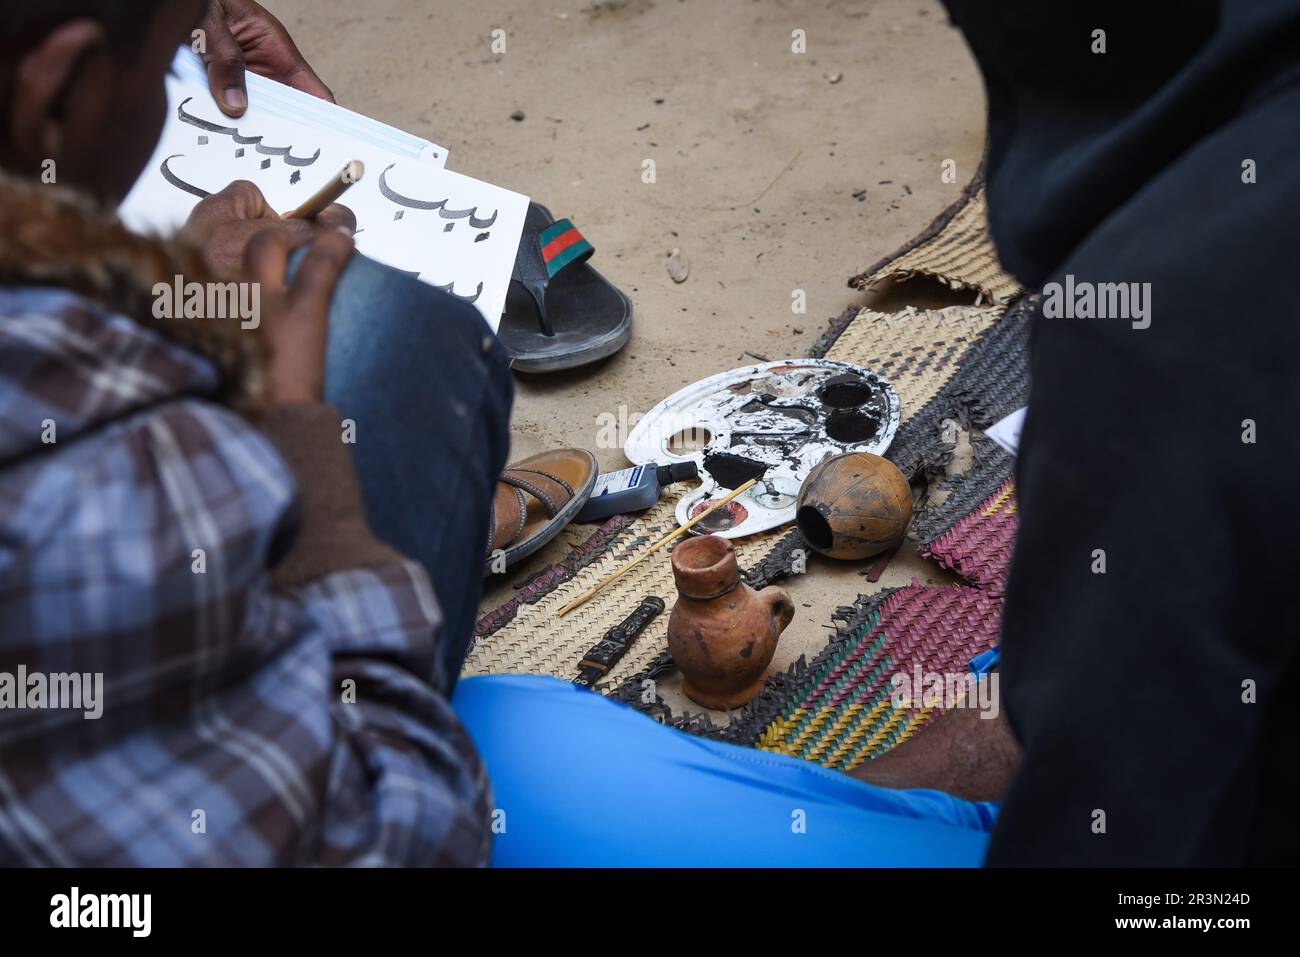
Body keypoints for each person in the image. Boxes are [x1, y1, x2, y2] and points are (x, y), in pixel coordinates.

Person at [0, 0, 509, 865]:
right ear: (58, 99)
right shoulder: (122, 459)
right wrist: (298, 454)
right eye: (169, 69)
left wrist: (139, 279)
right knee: (378, 313)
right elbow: (398, 842)